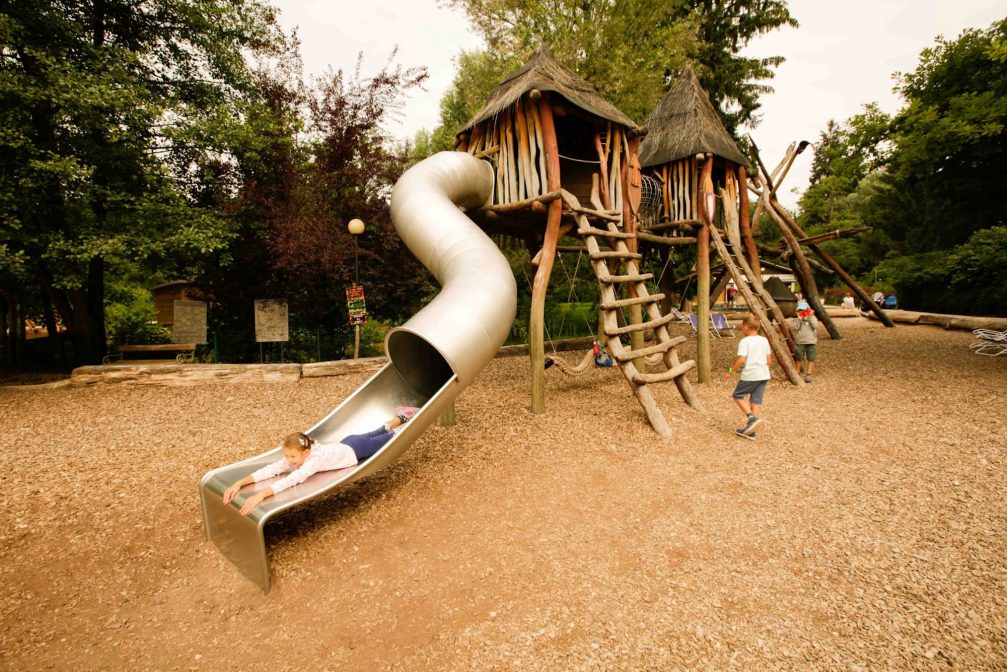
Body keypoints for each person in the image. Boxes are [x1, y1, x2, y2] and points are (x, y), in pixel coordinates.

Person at [223, 406, 420, 516]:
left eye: (292, 457)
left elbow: (293, 480)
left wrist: (262, 495)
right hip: (348, 442)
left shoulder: (312, 461)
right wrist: (240, 482)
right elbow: (272, 469)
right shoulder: (300, 456)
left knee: (390, 438)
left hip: (356, 449)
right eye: (287, 456)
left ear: (306, 452)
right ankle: (402, 415)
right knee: (378, 431)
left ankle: (410, 421)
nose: (289, 461)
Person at [723, 315, 772, 439]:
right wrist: (764, 370)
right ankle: (751, 431)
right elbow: (769, 359)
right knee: (756, 401)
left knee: (737, 395)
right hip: (764, 374)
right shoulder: (764, 340)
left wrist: (730, 371)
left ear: (746, 327)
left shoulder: (745, 342)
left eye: (742, 328)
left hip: (751, 375)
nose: (742, 330)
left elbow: (741, 360)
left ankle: (751, 419)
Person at [792, 300, 818, 383]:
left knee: (811, 358)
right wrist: (799, 319)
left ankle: (809, 374)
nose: (802, 312)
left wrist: (810, 316)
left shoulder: (812, 318)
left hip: (811, 341)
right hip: (800, 342)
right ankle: (797, 371)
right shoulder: (796, 319)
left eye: (804, 310)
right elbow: (795, 328)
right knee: (799, 357)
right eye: (800, 310)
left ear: (808, 310)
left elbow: (815, 326)